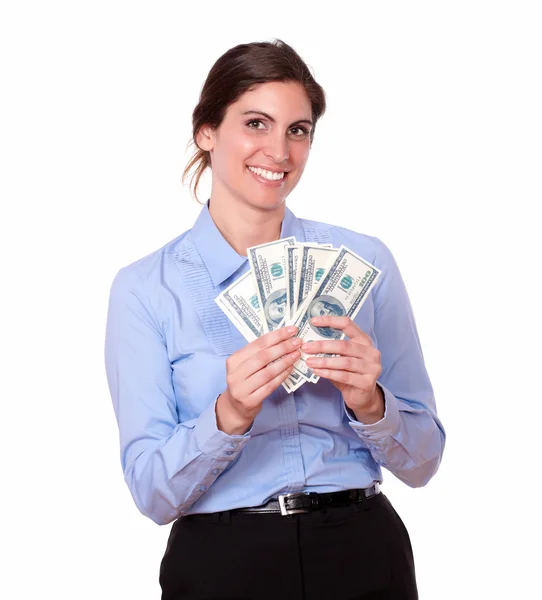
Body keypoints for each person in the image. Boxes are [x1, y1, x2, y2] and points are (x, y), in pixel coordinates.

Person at [105, 39, 446, 600]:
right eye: (256, 123)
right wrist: (229, 412)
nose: (280, 151)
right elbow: (151, 492)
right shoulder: (145, 289)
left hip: (362, 549)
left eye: (298, 130)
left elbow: (425, 460)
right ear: (206, 132)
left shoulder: (366, 264)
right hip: (223, 562)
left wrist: (372, 404)